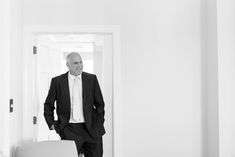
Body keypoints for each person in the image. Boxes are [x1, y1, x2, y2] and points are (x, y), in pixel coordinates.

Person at [44, 52, 105, 157]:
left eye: (81, 62)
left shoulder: (92, 79)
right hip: (69, 129)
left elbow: (100, 104)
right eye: (75, 63)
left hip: (91, 129)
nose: (79, 66)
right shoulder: (57, 81)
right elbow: (48, 104)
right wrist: (52, 123)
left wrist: (98, 123)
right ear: (67, 65)